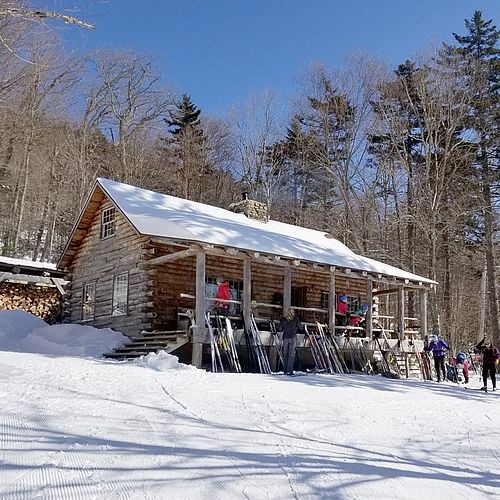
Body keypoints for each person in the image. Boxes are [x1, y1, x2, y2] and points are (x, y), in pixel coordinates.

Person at [279, 307, 302, 376]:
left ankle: (285, 370)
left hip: (285, 337)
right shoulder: (295, 319)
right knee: (291, 355)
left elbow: (280, 329)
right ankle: (290, 370)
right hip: (292, 337)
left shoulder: (283, 320)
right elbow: (301, 328)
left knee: (285, 354)